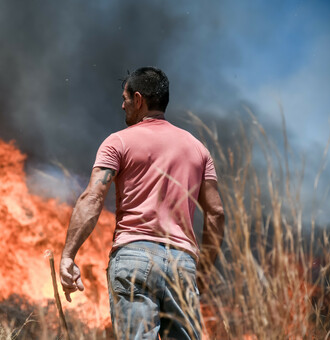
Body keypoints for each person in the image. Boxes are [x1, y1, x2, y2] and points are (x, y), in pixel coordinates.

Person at [60, 66, 225, 340]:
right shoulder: (198, 149)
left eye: (124, 98)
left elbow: (92, 197)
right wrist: (204, 271)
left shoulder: (118, 142)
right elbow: (216, 213)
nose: (121, 104)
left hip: (134, 258)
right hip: (182, 264)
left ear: (138, 100)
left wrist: (68, 255)